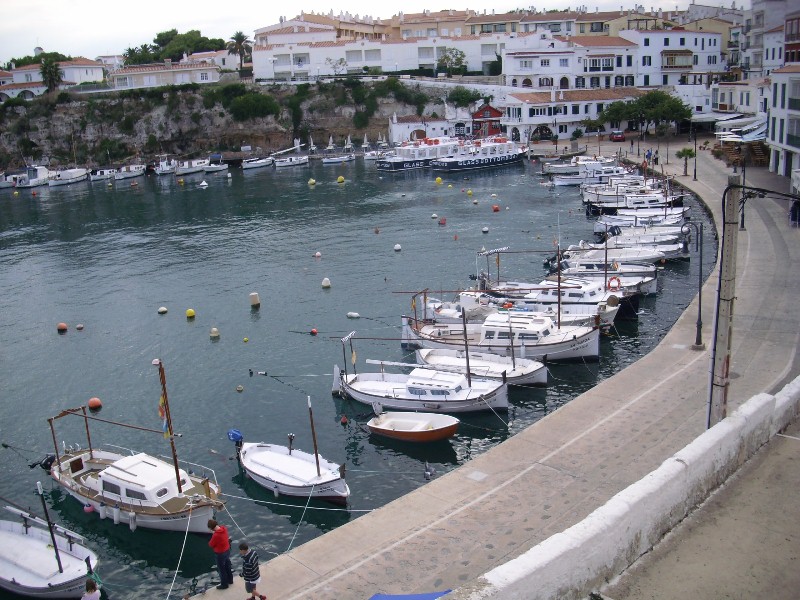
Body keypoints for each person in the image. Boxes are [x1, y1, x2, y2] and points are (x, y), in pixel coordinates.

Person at [208, 519, 234, 590]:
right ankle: (230, 580)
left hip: (220, 554)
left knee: (222, 570)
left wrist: (213, 534)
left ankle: (224, 584)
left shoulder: (216, 535)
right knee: (228, 566)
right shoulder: (224, 528)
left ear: (211, 528)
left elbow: (210, 544)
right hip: (227, 550)